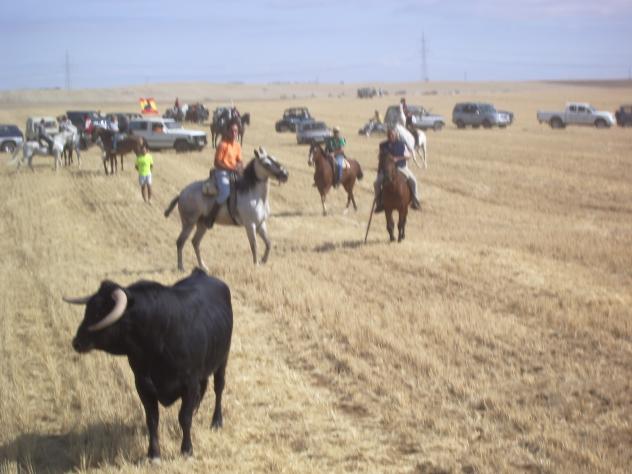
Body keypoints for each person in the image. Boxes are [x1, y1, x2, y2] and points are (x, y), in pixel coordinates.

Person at [205, 119, 243, 228]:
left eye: (236, 131)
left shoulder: (237, 145)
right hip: (222, 172)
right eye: (232, 131)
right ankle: (210, 217)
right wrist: (231, 168)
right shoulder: (222, 145)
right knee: (225, 192)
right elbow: (217, 163)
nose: (234, 133)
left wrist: (239, 166)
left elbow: (240, 160)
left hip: (235, 172)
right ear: (227, 131)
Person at [374, 126, 421, 213]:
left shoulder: (402, 144)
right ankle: (379, 203)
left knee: (413, 180)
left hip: (401, 167)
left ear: (396, 135)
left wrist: (397, 159)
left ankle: (415, 200)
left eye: (392, 135)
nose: (390, 136)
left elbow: (408, 156)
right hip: (387, 169)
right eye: (389, 135)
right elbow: (380, 157)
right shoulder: (382, 145)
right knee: (376, 183)